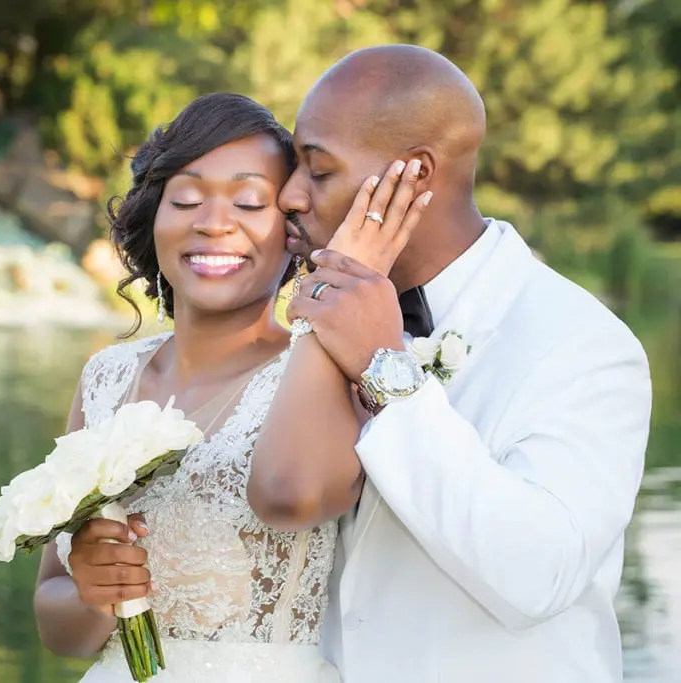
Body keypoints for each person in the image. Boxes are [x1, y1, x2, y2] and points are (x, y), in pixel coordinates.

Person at [248, 45, 654, 683]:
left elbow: (538, 576)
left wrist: (385, 370)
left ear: (413, 174)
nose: (289, 196)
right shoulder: (307, 326)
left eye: (318, 171)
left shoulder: (585, 344)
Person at [31, 92, 425, 682]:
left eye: (249, 202)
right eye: (186, 198)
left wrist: (330, 292)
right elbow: (55, 623)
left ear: (293, 231)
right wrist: (95, 593)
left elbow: (294, 496)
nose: (213, 223)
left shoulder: (323, 367)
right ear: (154, 217)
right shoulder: (107, 378)